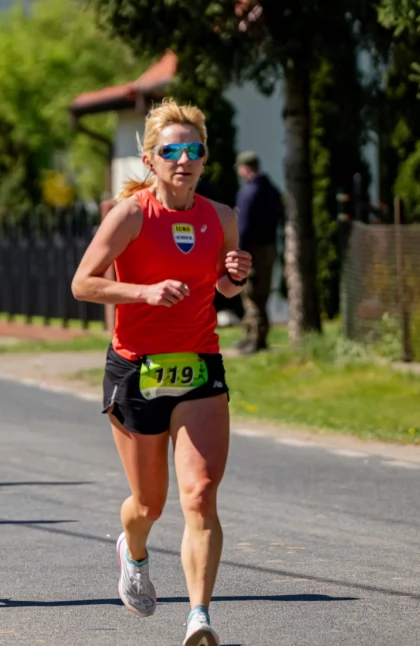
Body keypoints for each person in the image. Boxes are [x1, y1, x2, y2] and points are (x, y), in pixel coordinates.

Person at [71, 99, 252, 646]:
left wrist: (236, 278)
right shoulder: (130, 216)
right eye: (170, 151)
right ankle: (135, 549)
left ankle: (199, 615)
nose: (183, 159)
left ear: (204, 158)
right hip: (136, 369)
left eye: (193, 150)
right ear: (149, 160)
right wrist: (143, 292)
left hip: (199, 364)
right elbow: (83, 283)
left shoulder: (221, 217)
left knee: (199, 494)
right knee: (149, 503)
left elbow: (220, 287)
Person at [234, 151, 283, 354]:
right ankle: (256, 336)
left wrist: (239, 251)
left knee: (252, 295)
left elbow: (243, 226)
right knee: (263, 294)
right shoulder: (272, 189)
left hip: (252, 249)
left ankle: (254, 339)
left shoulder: (248, 192)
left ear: (245, 168)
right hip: (269, 246)